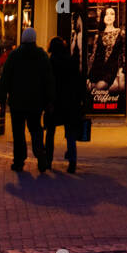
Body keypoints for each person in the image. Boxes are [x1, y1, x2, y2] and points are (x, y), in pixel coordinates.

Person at [0, 26, 55, 173]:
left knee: (18, 132)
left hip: (17, 102)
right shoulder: (42, 55)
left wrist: (2, 98)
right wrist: (49, 100)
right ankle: (40, 155)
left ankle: (19, 160)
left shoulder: (14, 55)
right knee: (36, 129)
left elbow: (5, 78)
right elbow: (48, 80)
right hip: (36, 102)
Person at [44, 35, 85, 173]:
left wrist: (47, 101)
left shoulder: (50, 62)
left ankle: (48, 160)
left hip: (55, 102)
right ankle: (72, 161)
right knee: (70, 133)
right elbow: (79, 82)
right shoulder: (71, 61)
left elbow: (48, 83)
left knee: (50, 132)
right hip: (70, 102)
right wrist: (80, 100)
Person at [87, 6, 125, 101]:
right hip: (96, 70)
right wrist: (88, 75)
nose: (109, 16)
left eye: (112, 14)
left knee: (99, 88)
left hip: (111, 70)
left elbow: (123, 54)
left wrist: (121, 71)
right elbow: (93, 56)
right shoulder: (98, 35)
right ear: (103, 17)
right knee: (93, 93)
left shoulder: (120, 33)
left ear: (115, 17)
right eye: (107, 14)